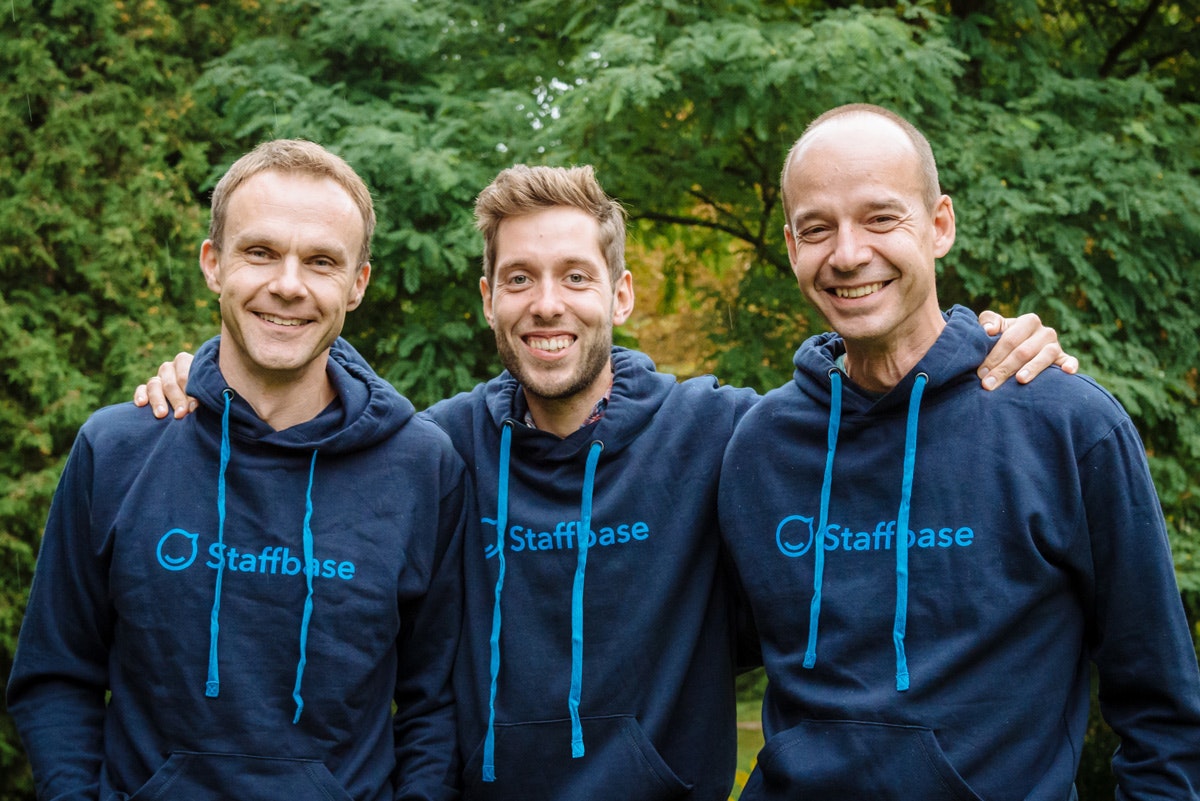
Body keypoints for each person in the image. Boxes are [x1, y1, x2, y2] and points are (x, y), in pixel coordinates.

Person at [134, 164, 1074, 800]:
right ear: (489, 297)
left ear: (619, 296)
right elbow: (312, 426)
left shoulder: (721, 434)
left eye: (576, 276)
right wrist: (200, 381)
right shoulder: (436, 451)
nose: (548, 304)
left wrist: (977, 345)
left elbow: (862, 401)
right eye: (521, 279)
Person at [718, 104, 1200, 800]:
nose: (848, 253)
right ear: (793, 246)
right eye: (817, 228)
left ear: (939, 225)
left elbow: (1165, 714)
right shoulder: (759, 446)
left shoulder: (1067, 424)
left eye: (882, 218)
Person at [7, 139, 468, 801]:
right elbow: (56, 674)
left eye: (320, 261)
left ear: (357, 284)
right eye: (260, 251)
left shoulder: (422, 467)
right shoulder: (117, 449)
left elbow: (437, 700)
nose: (288, 283)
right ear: (213, 263)